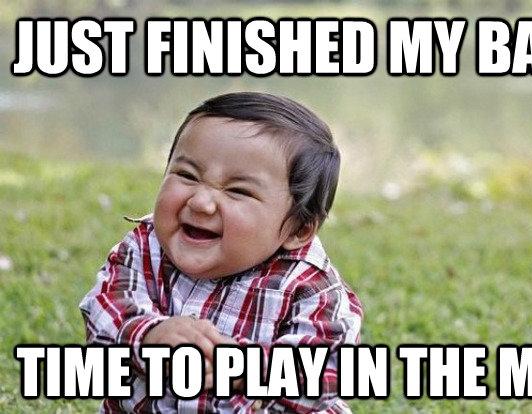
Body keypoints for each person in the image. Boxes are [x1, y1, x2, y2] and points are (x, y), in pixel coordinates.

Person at [79, 92, 362, 413]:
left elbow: (333, 369)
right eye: (187, 175)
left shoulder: (311, 287)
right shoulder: (144, 246)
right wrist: (148, 335)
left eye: (238, 191)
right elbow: (104, 310)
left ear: (298, 230)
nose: (201, 202)